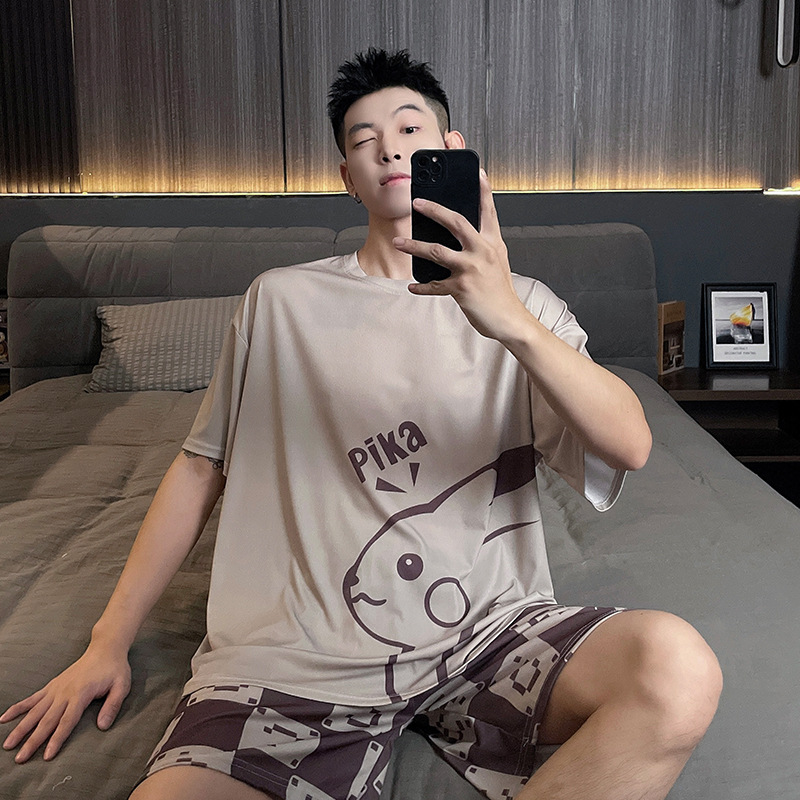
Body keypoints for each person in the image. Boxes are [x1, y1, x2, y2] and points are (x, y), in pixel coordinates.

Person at [1, 48, 721, 800]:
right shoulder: (279, 302)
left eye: (409, 129)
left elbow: (630, 444)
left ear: (452, 151)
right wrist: (107, 642)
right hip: (297, 657)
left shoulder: (527, 307)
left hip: (488, 638)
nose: (389, 148)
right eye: (363, 139)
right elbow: (199, 466)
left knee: (677, 670)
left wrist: (508, 317)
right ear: (348, 177)